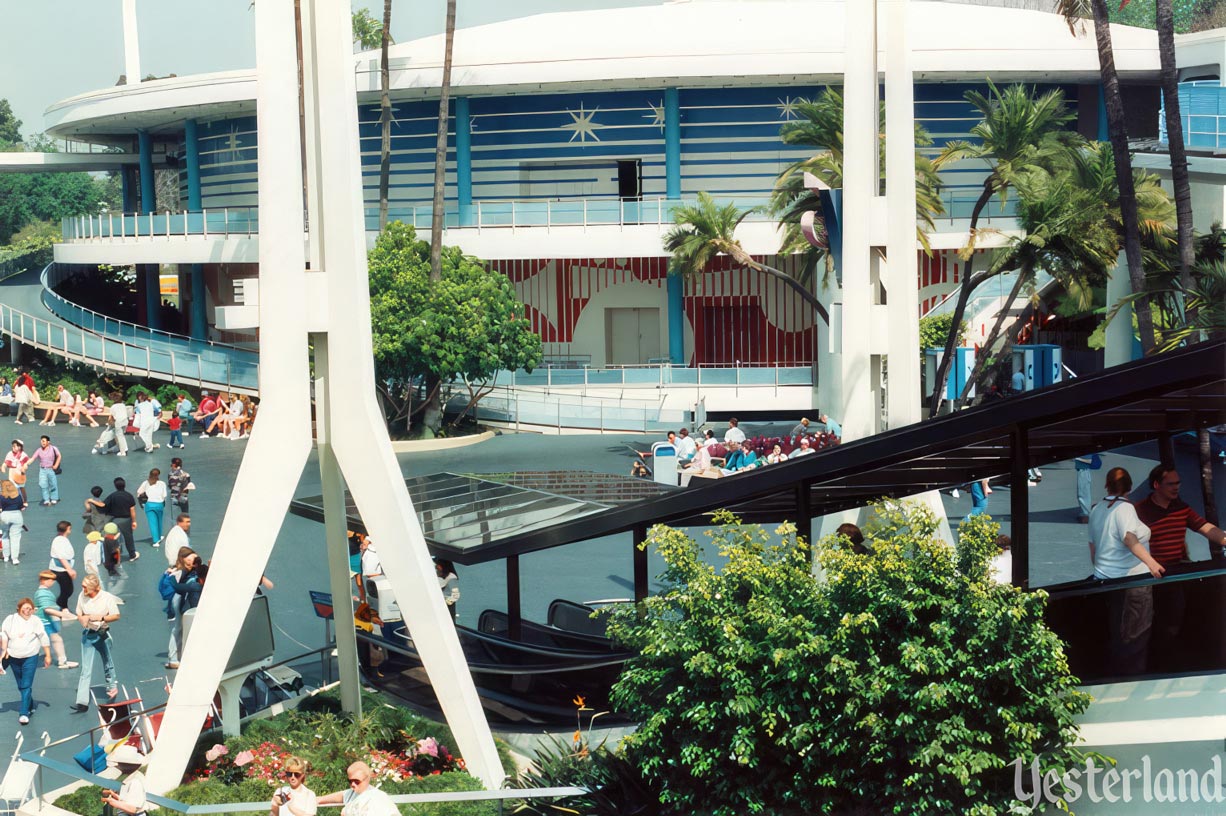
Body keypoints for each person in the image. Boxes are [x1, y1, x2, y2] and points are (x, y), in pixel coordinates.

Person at [1136, 464, 1226, 669]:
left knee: (1173, 622)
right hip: (1149, 576)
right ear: (1157, 485)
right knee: (1150, 626)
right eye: (1171, 484)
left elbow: (1206, 528)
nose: (1176, 488)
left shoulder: (1181, 508)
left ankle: (1169, 663)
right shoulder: (1140, 510)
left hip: (1174, 574)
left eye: (1178, 483)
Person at [1088, 467, 1162, 677]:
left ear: (1107, 485)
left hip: (1106, 580)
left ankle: (1116, 676)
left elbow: (1093, 548)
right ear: (1129, 486)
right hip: (1132, 581)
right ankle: (1132, 679)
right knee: (1136, 636)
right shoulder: (1125, 509)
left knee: (1116, 634)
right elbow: (1129, 538)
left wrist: (1104, 568)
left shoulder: (1096, 510)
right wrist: (1152, 564)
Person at [71, 574, 122, 712]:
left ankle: (112, 686)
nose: (82, 588)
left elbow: (116, 615)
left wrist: (101, 617)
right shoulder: (82, 595)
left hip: (102, 634)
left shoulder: (106, 597)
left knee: (107, 661)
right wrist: (82, 619)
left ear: (93, 588)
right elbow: (79, 612)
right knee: (85, 669)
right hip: (88, 633)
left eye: (85, 586)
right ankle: (82, 703)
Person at [0, 596, 52, 725]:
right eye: (24, 609)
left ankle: (24, 713)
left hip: (30, 657)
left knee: (26, 685)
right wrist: (4, 651)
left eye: (30, 609)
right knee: (21, 685)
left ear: (33, 610)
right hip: (13, 657)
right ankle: (30, 703)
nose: (27, 611)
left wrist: (47, 655)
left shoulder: (36, 621)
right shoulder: (10, 620)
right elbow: (4, 634)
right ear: (19, 609)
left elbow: (43, 636)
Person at [317, 761, 399, 816]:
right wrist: (320, 799)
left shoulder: (376, 798)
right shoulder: (355, 792)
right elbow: (342, 795)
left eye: (356, 781)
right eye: (350, 781)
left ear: (367, 779)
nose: (353, 784)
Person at [34, 570, 77, 670]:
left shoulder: (43, 592)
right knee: (51, 640)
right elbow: (47, 609)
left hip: (46, 622)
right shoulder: (42, 593)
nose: (53, 582)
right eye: (51, 580)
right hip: (45, 622)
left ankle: (62, 661)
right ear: (43, 580)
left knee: (56, 640)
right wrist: (65, 615)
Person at [165, 549, 200, 670]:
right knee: (179, 627)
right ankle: (174, 658)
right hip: (182, 600)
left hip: (183, 599)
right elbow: (180, 587)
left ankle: (177, 656)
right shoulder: (184, 574)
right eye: (189, 562)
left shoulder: (184, 571)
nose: (193, 563)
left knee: (180, 628)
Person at [100, 745, 147, 814]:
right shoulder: (128, 779)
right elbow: (128, 800)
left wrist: (113, 802)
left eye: (118, 764)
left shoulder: (135, 781)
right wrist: (114, 795)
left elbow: (133, 808)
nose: (116, 766)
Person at [104, 477, 139, 561]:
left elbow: (104, 505)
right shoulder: (129, 496)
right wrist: (134, 521)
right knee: (128, 538)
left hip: (115, 519)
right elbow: (132, 510)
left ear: (115, 486)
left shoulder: (112, 496)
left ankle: (115, 557)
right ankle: (132, 555)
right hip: (126, 520)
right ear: (124, 485)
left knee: (115, 538)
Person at [136, 469, 168, 547]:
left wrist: (142, 502)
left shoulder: (145, 483)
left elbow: (139, 492)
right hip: (159, 504)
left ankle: (156, 541)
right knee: (159, 520)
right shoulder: (162, 483)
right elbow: (164, 495)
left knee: (152, 523)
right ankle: (160, 535)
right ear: (158, 475)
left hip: (149, 504)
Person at [49, 520, 77, 608]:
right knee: (67, 590)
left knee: (67, 590)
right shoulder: (60, 541)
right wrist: (69, 569)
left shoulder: (60, 539)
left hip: (61, 568)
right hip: (60, 569)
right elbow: (61, 557)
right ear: (67, 529)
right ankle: (61, 607)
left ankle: (61, 606)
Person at [28, 435, 62, 507]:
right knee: (43, 485)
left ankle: (54, 498)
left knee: (53, 483)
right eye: (41, 441)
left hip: (51, 469)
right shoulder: (39, 450)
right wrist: (26, 464)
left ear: (48, 442)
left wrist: (56, 465)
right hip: (42, 470)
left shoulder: (53, 448)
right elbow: (33, 458)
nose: (42, 442)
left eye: (43, 441)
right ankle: (46, 499)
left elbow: (59, 456)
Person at [1073, 453, 1102, 523]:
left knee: (1083, 492)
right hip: (1083, 467)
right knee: (1083, 491)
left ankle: (1085, 513)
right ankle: (1085, 512)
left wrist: (1077, 458)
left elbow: (1088, 460)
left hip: (1083, 468)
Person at [1, 479, 24, 564]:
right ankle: (15, 558)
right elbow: (21, 506)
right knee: (15, 538)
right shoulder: (18, 496)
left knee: (5, 536)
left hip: (4, 516)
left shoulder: (1, 496)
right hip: (17, 516)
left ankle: (6, 556)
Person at [5, 439, 30, 507]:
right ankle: (16, 503)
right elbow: (7, 462)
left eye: (17, 446)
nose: (15, 448)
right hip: (12, 474)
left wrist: (24, 467)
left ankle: (25, 501)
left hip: (20, 475)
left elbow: (27, 463)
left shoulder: (23, 454)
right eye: (13, 446)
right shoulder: (10, 454)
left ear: (20, 447)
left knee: (22, 488)